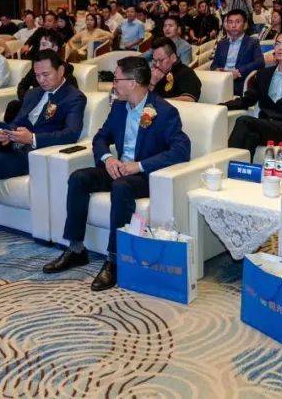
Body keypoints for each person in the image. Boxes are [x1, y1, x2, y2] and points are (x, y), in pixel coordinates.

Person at [43, 56, 190, 291]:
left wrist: (139, 165)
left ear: (132, 83)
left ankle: (114, 259)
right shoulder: (119, 108)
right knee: (79, 178)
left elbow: (181, 150)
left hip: (145, 176)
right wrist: (107, 158)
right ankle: (76, 248)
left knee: (121, 187)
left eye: (116, 79)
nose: (113, 84)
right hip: (119, 168)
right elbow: (101, 137)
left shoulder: (164, 111)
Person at [0, 50, 88, 252]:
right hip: (12, 144)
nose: (41, 80)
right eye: (37, 75)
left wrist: (33, 138)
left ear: (61, 70)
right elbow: (17, 121)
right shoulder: (33, 94)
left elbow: (71, 134)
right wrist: (7, 132)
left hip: (30, 155)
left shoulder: (74, 97)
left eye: (46, 74)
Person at [3, 31, 77, 122]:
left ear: (55, 48)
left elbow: (68, 100)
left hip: (50, 110)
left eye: (44, 45)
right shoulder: (37, 68)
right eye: (40, 45)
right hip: (33, 106)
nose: (40, 48)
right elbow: (22, 85)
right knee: (13, 106)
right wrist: (29, 100)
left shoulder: (66, 72)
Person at [211, 9, 264, 95]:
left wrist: (239, 72)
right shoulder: (221, 44)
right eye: (230, 22)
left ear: (245, 25)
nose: (233, 25)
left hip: (239, 82)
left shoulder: (252, 43)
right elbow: (214, 64)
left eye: (237, 22)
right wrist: (216, 69)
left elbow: (260, 62)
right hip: (220, 80)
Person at [148, 36, 202, 102]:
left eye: (161, 60)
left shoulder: (185, 73)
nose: (157, 65)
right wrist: (152, 84)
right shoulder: (155, 73)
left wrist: (159, 102)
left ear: (173, 57)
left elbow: (189, 99)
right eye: (155, 60)